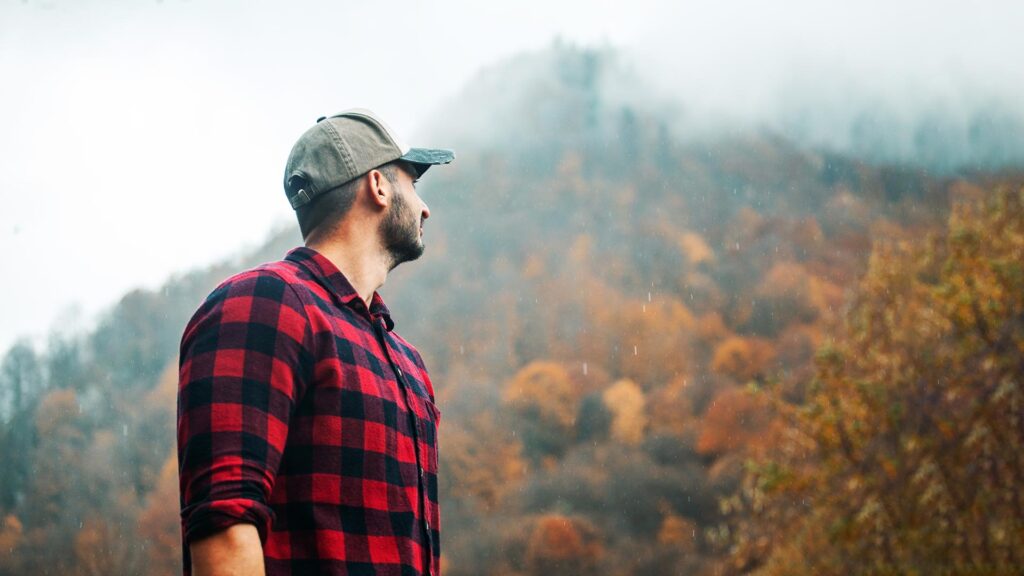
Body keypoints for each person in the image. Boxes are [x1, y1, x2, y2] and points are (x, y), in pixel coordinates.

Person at [176, 109, 454, 576]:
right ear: (379, 187)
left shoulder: (406, 360)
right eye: (413, 184)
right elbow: (225, 523)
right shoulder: (264, 303)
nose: (425, 208)